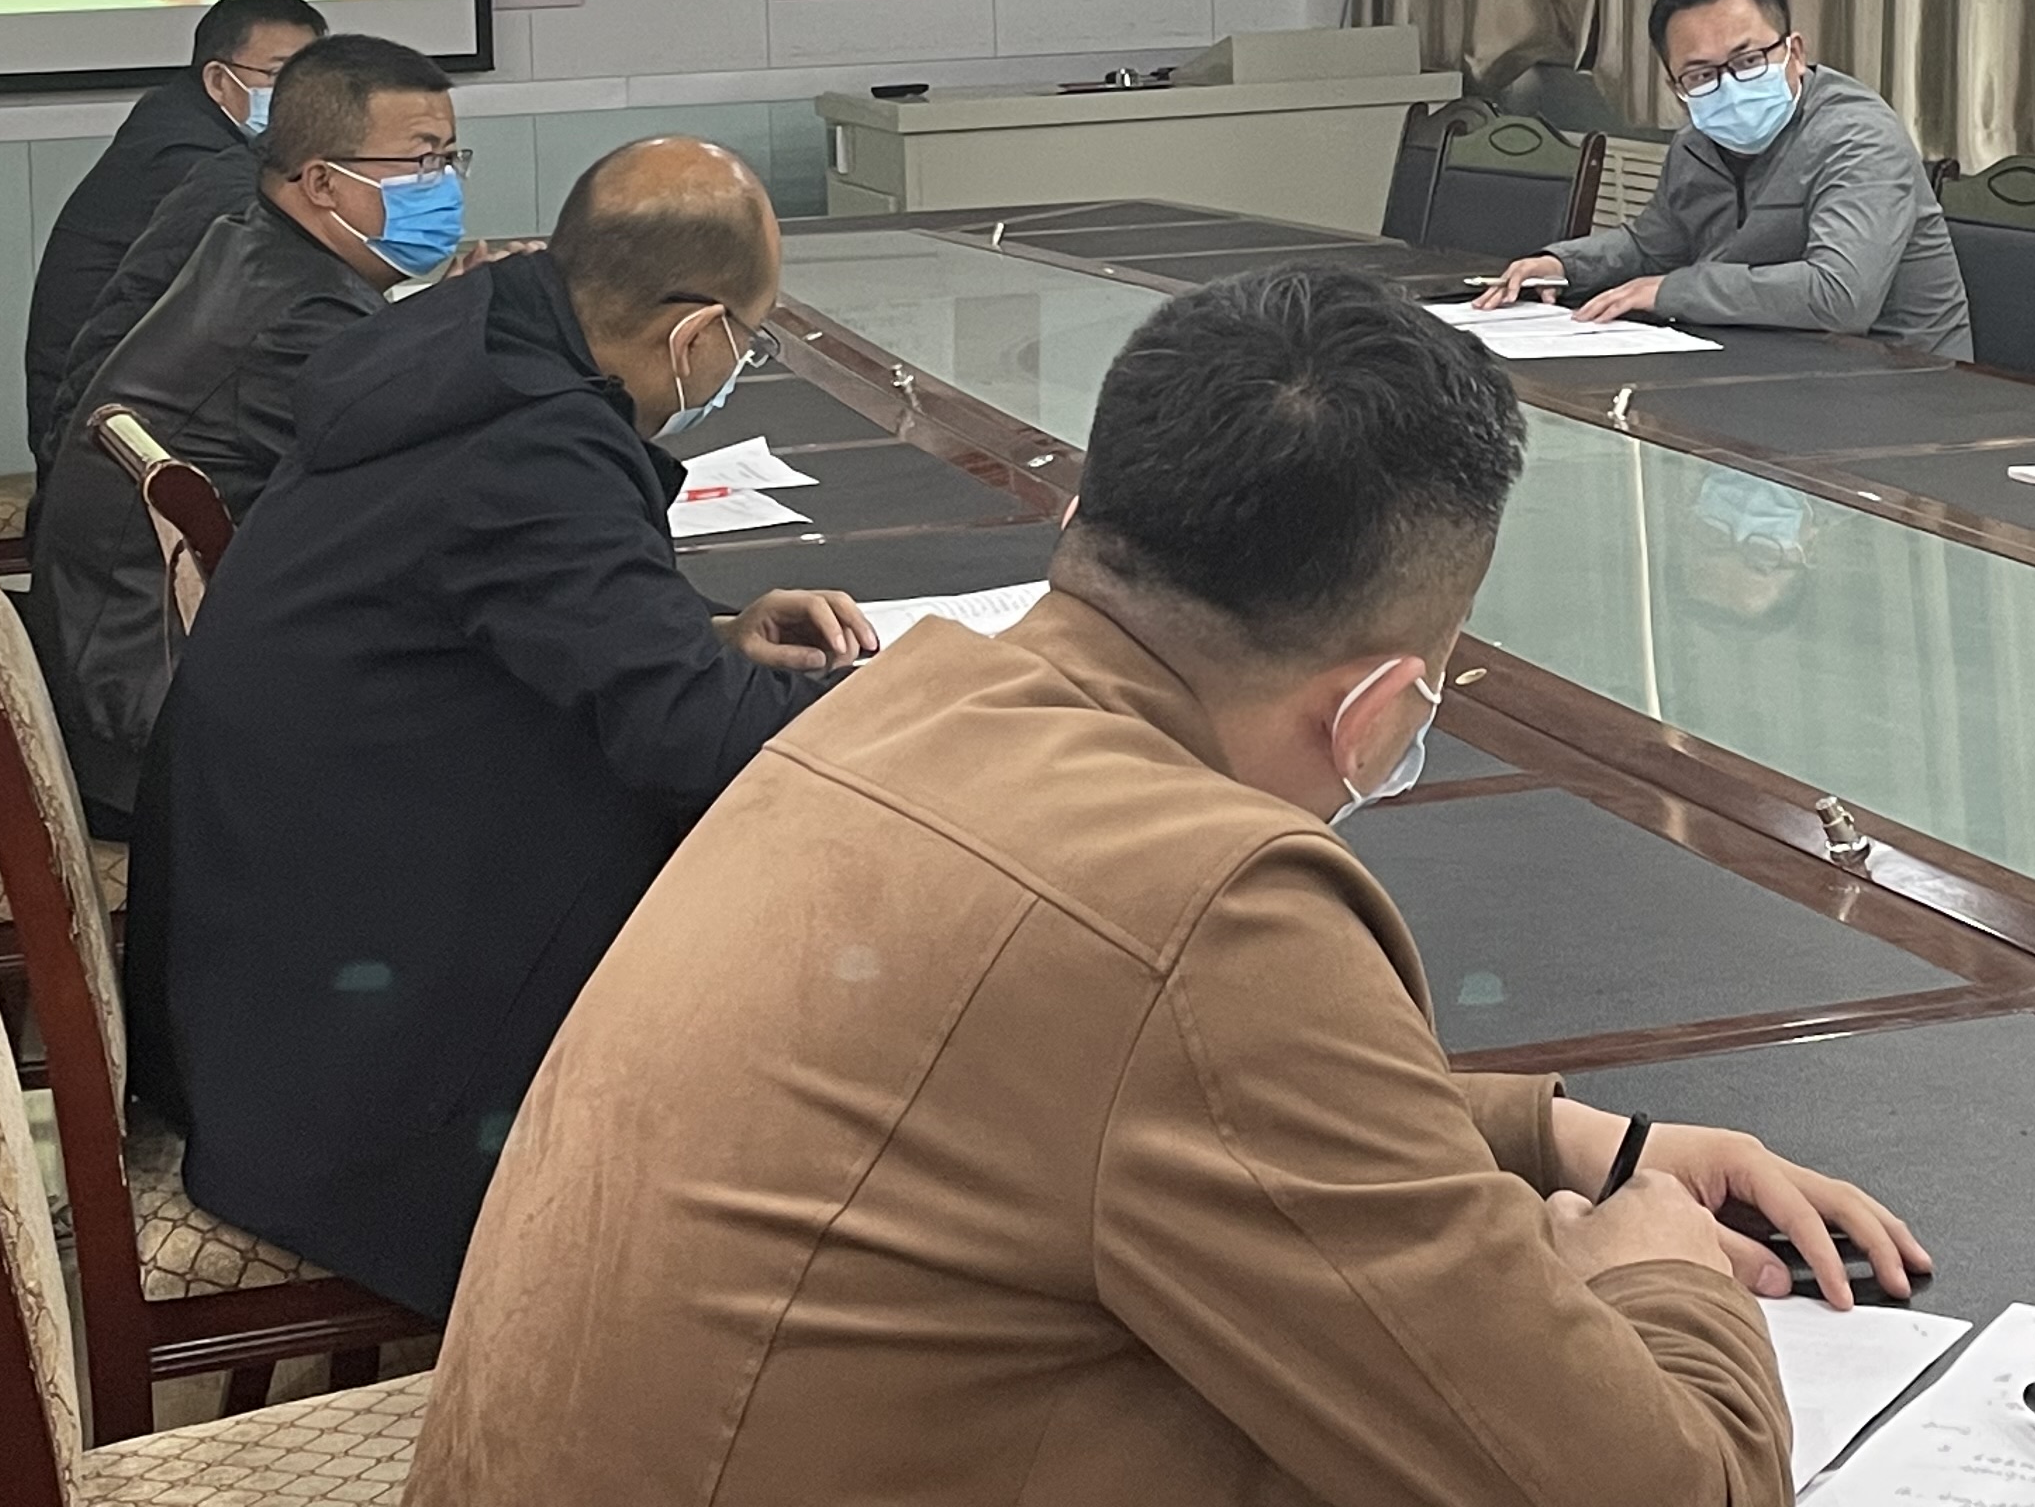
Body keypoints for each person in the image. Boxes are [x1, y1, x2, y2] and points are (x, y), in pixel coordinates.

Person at [411, 265, 1926, 1507]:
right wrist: (1662, 1274)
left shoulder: (892, 710)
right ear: (1375, 710)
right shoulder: (1206, 910)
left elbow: (1116, 1089)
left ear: (1087, 527)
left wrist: (1573, 1139)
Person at [149, 138, 874, 1319]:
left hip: (266, 960)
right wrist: (919, 697)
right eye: (750, 338)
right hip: (357, 1070)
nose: (738, 361)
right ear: (696, 335)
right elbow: (692, 737)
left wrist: (710, 632)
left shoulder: (467, 339)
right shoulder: (538, 441)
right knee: (789, 1050)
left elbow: (509, 608)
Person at [22, 33, 457, 833]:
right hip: (157, 736)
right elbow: (417, 507)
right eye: (422, 162)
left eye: (451, 160)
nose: (445, 185)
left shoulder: (262, 245)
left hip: (131, 679)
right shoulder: (299, 316)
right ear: (321, 181)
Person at [1481, 0, 1971, 358]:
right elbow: (1655, 247)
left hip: (1903, 383)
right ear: (1675, 87)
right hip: (1769, 365)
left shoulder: (1858, 137)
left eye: (1748, 60)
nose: (1729, 86)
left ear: (1795, 52)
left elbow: (1841, 296)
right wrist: (1563, 264)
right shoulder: (1697, 141)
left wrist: (1670, 291)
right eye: (1700, 75)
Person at [22, 0, 323, 446]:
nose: (307, 96)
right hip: (102, 436)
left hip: (128, 408)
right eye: (280, 75)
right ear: (218, 80)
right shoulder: (189, 159)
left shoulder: (186, 118)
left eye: (316, 77)